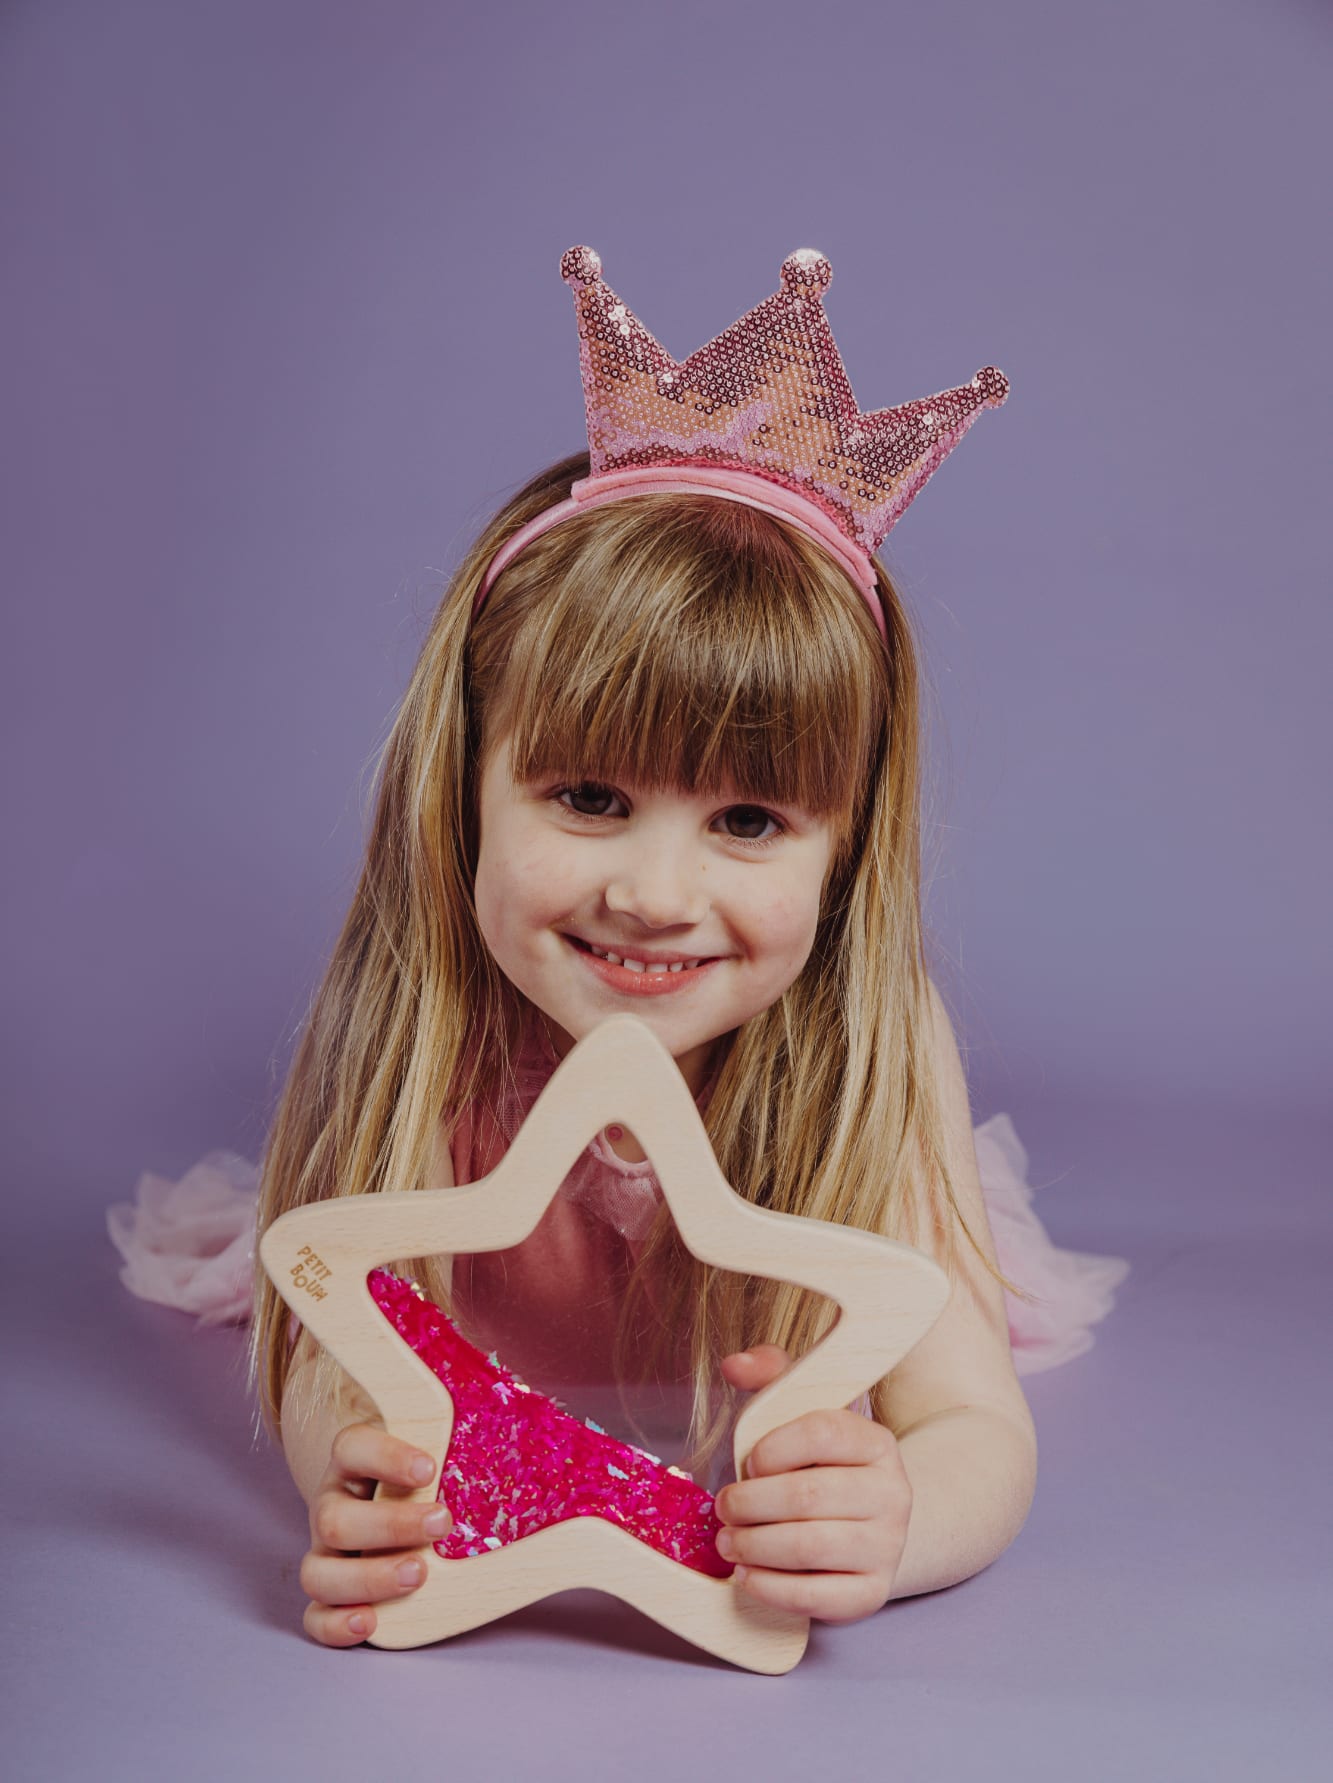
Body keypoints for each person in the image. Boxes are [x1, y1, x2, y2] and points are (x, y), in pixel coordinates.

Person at [109, 246, 1130, 1650]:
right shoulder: (416, 1029)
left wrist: (892, 1524)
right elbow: (329, 1359)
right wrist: (365, 1484)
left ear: (844, 854)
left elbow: (970, 1422)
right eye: (588, 798)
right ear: (467, 786)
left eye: (749, 821)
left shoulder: (873, 1055)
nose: (655, 895)